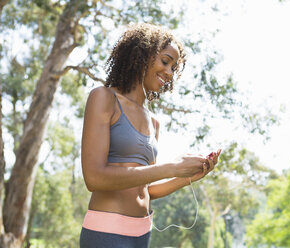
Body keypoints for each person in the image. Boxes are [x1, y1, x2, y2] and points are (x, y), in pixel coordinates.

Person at [79, 23, 221, 248]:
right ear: (141, 55)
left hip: (142, 233)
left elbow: (146, 188)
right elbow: (94, 178)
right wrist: (172, 167)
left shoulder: (154, 122)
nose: (169, 72)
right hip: (106, 231)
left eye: (174, 67)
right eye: (165, 61)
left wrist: (187, 177)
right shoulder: (104, 98)